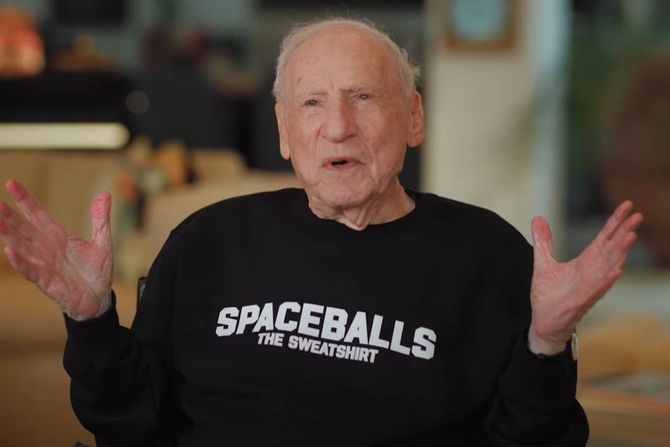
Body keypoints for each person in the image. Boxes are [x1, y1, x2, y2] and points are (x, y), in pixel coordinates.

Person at [0, 18, 643, 447]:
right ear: (284, 131)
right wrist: (92, 319)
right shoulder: (207, 242)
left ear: (413, 117)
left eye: (363, 97)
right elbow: (129, 425)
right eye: (312, 103)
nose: (337, 126)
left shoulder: (490, 257)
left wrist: (546, 344)